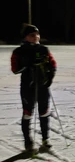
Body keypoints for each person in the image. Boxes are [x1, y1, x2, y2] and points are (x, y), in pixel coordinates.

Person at [10, 24, 57, 152]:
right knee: (27, 113)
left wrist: (50, 77)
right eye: (32, 35)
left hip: (42, 87)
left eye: (37, 34)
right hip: (28, 87)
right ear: (25, 37)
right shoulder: (18, 52)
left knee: (44, 112)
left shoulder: (44, 49)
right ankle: (28, 141)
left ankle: (45, 139)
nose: (36, 37)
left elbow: (52, 64)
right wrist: (27, 64)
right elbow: (15, 69)